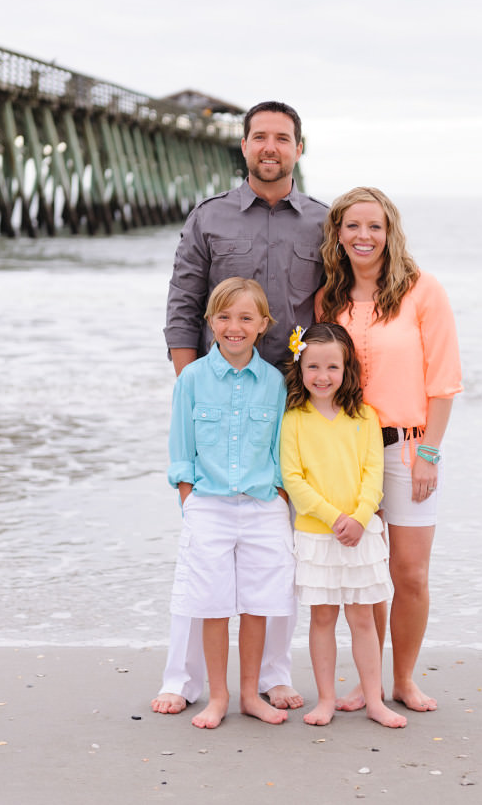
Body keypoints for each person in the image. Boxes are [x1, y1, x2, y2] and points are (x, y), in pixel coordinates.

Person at [156, 100, 327, 715]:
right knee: (201, 551)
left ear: (299, 150)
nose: (270, 148)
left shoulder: (322, 222)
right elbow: (184, 297)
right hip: (218, 394)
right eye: (260, 137)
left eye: (282, 138)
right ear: (245, 146)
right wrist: (188, 382)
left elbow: (334, 307)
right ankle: (182, 677)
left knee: (277, 547)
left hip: (294, 401)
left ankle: (273, 673)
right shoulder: (211, 218)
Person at [317, 186, 462, 714]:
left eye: (374, 226)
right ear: (338, 232)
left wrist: (430, 454)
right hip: (350, 457)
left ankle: (404, 679)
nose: (364, 236)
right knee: (367, 576)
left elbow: (444, 379)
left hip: (407, 452)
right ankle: (369, 683)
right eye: (352, 226)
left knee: (410, 573)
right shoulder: (327, 299)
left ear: (389, 231)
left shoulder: (423, 290)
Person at [165, 277, 293, 729]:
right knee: (214, 606)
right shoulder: (193, 379)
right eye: (223, 317)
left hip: (262, 507)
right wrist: (189, 499)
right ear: (210, 322)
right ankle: (216, 697)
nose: (233, 327)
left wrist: (277, 489)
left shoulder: (275, 383)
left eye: (245, 318)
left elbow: (282, 447)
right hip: (209, 506)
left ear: (263, 324)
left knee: (258, 605)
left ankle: (249, 694)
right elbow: (181, 449)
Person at [280, 323, 407, 729]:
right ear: (300, 368)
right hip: (318, 535)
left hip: (360, 534)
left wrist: (360, 516)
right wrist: (335, 518)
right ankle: (326, 700)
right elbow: (293, 478)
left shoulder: (365, 416)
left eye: (332, 366)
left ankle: (374, 699)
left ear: (346, 368)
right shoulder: (294, 419)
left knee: (363, 619)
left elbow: (374, 472)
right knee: (321, 619)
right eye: (313, 366)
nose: (322, 376)